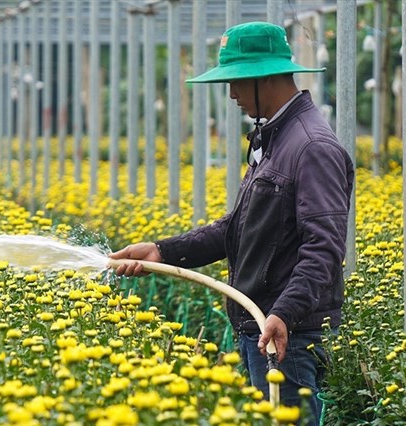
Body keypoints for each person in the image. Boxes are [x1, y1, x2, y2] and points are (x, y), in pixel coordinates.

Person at [110, 21, 354, 425]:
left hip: (284, 335)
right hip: (263, 328)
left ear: (267, 77)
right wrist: (161, 251)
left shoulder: (310, 147)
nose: (231, 93)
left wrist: (285, 313)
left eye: (238, 80)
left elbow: (325, 248)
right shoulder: (276, 139)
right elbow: (237, 227)